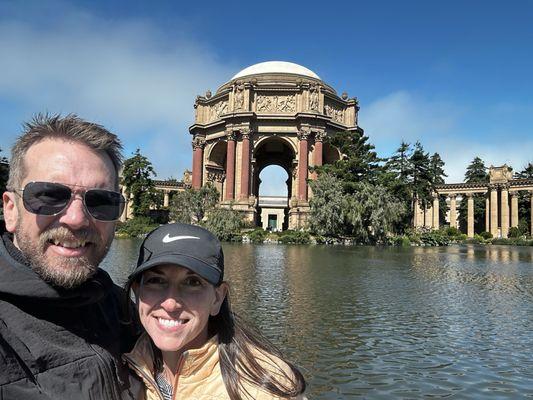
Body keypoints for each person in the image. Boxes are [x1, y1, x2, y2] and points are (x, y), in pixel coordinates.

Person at [0, 114, 141, 399]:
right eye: (49, 195)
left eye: (101, 201)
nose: (76, 219)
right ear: (10, 210)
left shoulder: (125, 308)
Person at [124, 223, 306, 400]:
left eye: (192, 282)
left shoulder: (266, 388)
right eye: (156, 281)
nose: (171, 304)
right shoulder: (122, 365)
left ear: (218, 297)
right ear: (137, 292)